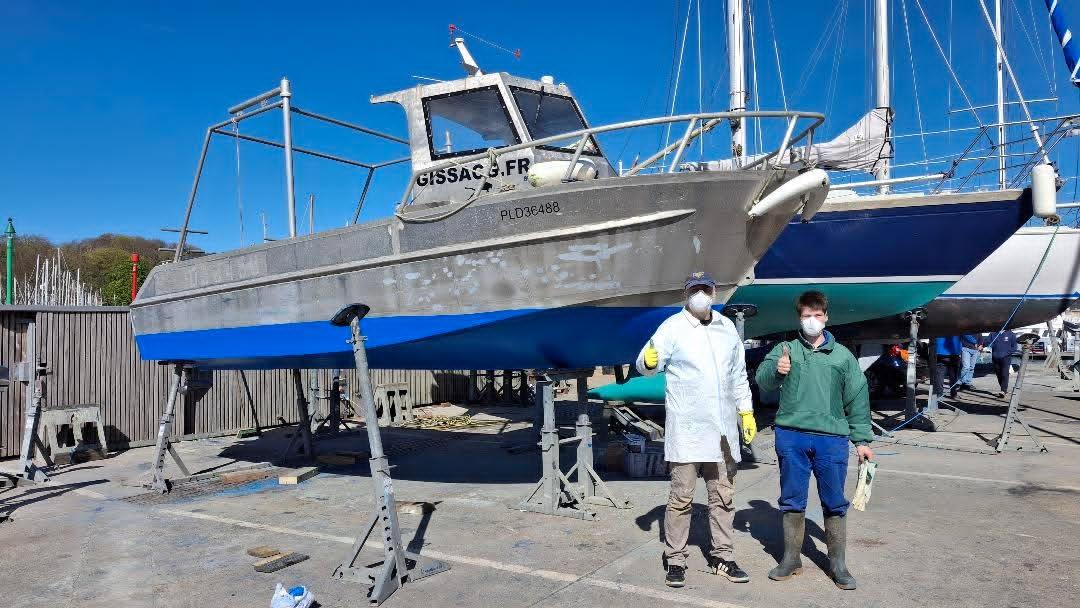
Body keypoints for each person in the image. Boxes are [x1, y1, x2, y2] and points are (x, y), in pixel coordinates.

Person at [636, 271, 756, 588]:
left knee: (723, 498)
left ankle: (723, 557)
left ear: (714, 293)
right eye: (695, 290)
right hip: (687, 431)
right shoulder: (672, 327)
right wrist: (648, 361)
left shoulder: (726, 328)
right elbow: (645, 365)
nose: (700, 295)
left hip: (723, 433)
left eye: (705, 289)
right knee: (681, 499)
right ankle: (676, 559)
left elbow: (739, 375)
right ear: (686, 294)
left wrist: (746, 411)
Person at [755, 290, 873, 591]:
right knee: (792, 498)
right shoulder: (785, 349)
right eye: (806, 315)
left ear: (826, 317)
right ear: (799, 318)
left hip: (831, 439)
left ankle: (838, 564)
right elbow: (762, 380)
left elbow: (857, 397)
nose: (812, 320)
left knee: (834, 501)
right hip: (791, 436)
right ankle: (791, 559)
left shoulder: (843, 356)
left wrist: (861, 440)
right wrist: (776, 370)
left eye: (817, 315)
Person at [985, 329, 1018, 398]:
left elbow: (1014, 348)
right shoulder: (993, 333)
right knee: (998, 374)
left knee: (1004, 374)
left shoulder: (1011, 334)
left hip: (1006, 358)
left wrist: (1006, 353)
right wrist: (984, 344)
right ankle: (1003, 389)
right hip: (995, 357)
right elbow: (987, 342)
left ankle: (1003, 390)